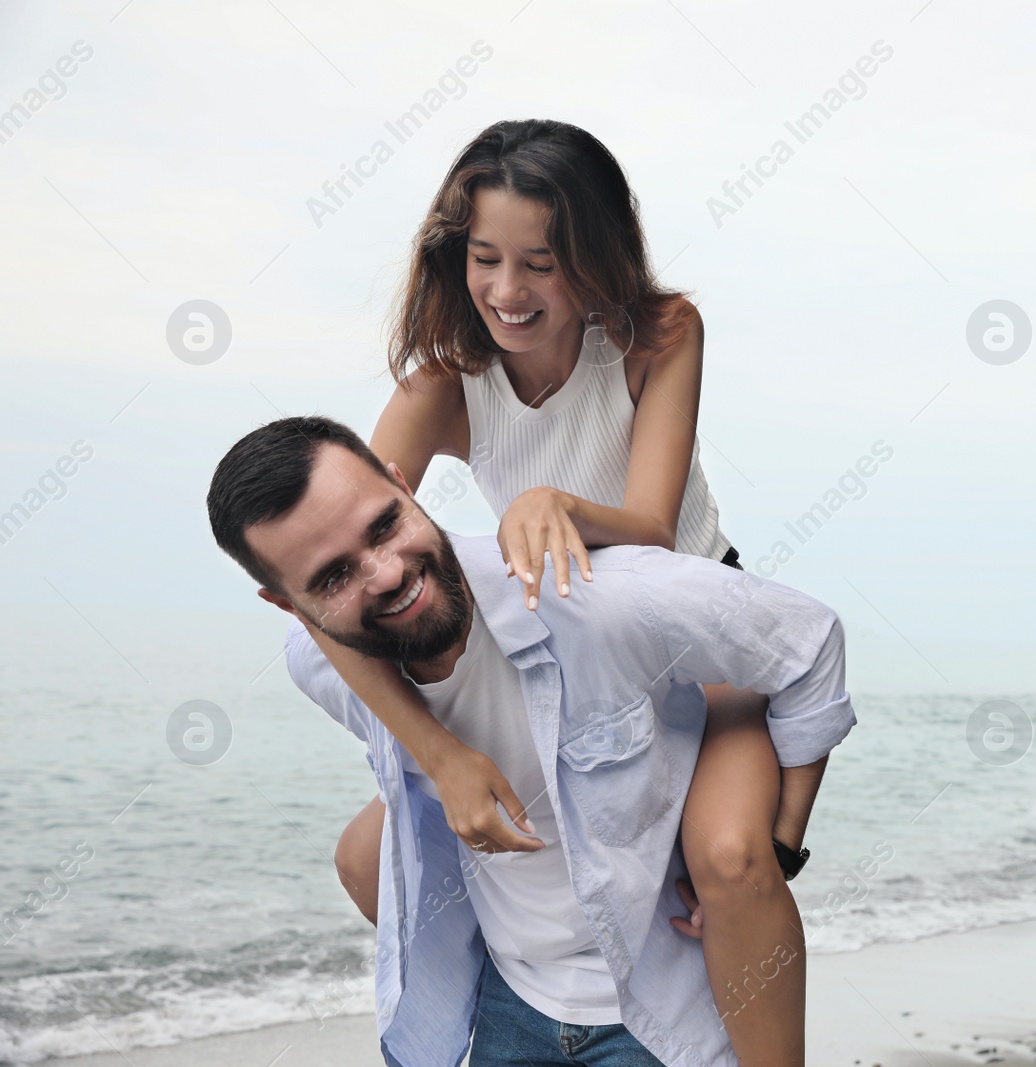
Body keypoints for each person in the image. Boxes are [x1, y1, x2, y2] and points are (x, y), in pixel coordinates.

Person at [313, 118, 820, 1064]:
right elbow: (335, 561)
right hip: (567, 655)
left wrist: (552, 501)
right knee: (363, 852)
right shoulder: (441, 386)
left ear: (592, 256)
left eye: (541, 263)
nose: (507, 292)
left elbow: (655, 534)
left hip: (699, 640)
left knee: (730, 860)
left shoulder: (660, 335)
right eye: (486, 258)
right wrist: (439, 752)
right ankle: (522, 992)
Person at [205, 416, 856, 1067]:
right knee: (360, 850)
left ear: (404, 485)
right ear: (288, 605)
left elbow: (808, 641)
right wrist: (440, 755)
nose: (385, 574)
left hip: (660, 1005)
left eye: (384, 525)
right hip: (511, 1002)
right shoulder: (322, 667)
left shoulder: (598, 598)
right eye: (333, 576)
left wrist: (777, 847)